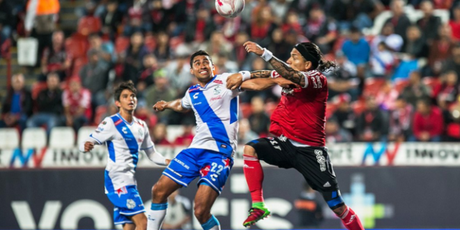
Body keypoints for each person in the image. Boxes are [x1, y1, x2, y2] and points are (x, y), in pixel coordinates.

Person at [226, 41, 364, 229]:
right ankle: (258, 206)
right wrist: (236, 82)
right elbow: (263, 80)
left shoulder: (317, 79)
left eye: (294, 57)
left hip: (311, 151)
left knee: (338, 207)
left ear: (307, 64)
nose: (289, 60)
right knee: (251, 148)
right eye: (289, 55)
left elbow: (290, 75)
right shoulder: (288, 74)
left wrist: (265, 53)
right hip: (285, 144)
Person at [147, 50, 290, 230]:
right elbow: (182, 104)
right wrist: (167, 105)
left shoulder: (225, 80)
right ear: (192, 70)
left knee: (200, 211)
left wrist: (278, 80)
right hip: (194, 150)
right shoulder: (192, 92)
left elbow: (253, 84)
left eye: (205, 61)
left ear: (212, 66)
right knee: (158, 191)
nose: (202, 65)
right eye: (197, 63)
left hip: (219, 154)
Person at [79, 81, 170, 230]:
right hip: (117, 180)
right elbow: (88, 140)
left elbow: (152, 154)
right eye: (126, 96)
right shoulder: (111, 123)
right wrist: (86, 146)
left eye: (133, 96)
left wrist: (168, 161)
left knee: (130, 226)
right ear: (118, 103)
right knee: (144, 223)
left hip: (130, 180)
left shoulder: (142, 126)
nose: (131, 99)